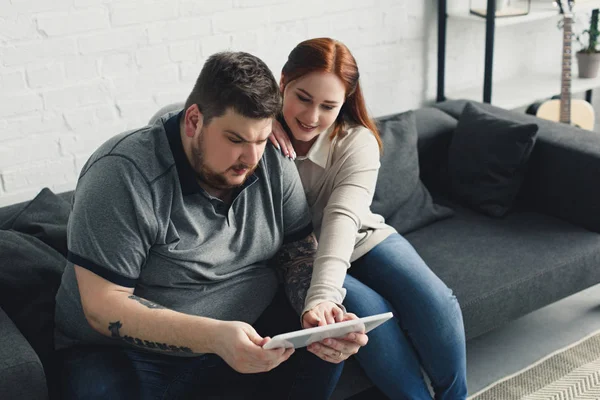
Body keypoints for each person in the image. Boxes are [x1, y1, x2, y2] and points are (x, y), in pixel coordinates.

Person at [53, 51, 367, 400]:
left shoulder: (273, 159)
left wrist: (315, 311)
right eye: (235, 140)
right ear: (193, 121)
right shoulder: (122, 173)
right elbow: (103, 307)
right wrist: (214, 337)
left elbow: (298, 252)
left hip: (250, 330)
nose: (251, 159)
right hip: (128, 351)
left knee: (326, 344)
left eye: (260, 140)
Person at [269, 38, 468, 399]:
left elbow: (343, 219)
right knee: (368, 321)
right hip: (304, 256)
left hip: (361, 236)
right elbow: (188, 113)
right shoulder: (255, 134)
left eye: (328, 106)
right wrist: (262, 116)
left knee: (437, 303)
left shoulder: (357, 141)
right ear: (282, 82)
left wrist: (323, 293)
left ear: (345, 102)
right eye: (302, 98)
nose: (312, 117)